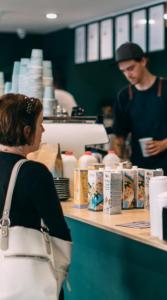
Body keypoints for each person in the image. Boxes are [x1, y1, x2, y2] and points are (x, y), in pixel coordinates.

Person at [0, 93, 71, 299]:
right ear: (26, 130)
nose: (43, 130)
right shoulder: (33, 172)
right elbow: (58, 230)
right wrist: (59, 275)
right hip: (28, 281)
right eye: (40, 123)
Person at [112, 42, 167, 176]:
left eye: (131, 68)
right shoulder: (124, 95)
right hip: (137, 169)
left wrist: (164, 143)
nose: (128, 74)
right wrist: (117, 155)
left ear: (143, 61)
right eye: (123, 71)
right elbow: (119, 136)